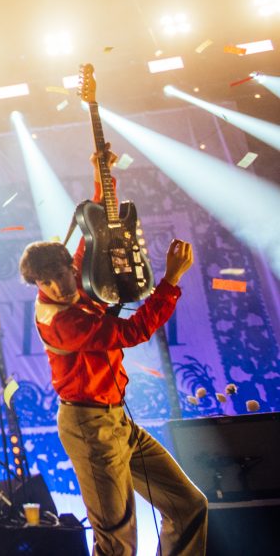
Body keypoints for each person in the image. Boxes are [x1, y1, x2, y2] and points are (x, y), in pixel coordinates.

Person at [18, 146, 206, 555]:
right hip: (90, 428)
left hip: (117, 420)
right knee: (117, 541)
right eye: (46, 283)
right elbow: (134, 329)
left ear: (71, 267)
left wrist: (103, 175)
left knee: (189, 506)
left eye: (62, 275)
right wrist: (171, 281)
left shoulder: (77, 278)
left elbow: (99, 229)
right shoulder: (62, 321)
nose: (59, 287)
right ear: (38, 284)